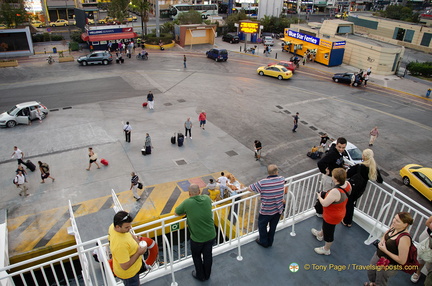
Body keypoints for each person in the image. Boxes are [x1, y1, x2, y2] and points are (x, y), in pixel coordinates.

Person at [175, 184, 216, 281]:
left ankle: (200, 276)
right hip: (211, 235)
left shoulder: (187, 203)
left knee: (197, 257)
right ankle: (207, 275)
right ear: (199, 191)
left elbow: (176, 213)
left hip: (197, 239)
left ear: (189, 193)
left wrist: (187, 211)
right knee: (208, 256)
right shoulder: (206, 198)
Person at [364, 212, 414, 286]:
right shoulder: (394, 227)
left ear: (405, 224)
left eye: (397, 221)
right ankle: (372, 284)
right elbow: (386, 234)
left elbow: (402, 261)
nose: (394, 221)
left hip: (388, 263)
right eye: (394, 218)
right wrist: (382, 241)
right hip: (378, 255)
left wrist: (385, 250)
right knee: (371, 272)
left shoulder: (404, 238)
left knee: (380, 280)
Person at [311, 168, 351, 255]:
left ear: (336, 179)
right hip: (340, 211)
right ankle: (320, 234)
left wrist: (319, 196)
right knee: (326, 226)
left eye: (332, 176)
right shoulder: (348, 184)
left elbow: (324, 204)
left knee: (329, 232)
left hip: (332, 216)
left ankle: (326, 249)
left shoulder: (335, 191)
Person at [248, 164, 287, 248]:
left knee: (262, 226)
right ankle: (270, 242)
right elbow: (285, 181)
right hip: (278, 209)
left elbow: (250, 188)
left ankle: (264, 241)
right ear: (276, 172)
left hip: (266, 210)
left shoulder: (262, 183)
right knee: (273, 227)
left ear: (268, 173)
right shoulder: (281, 179)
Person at [342, 149, 383, 227]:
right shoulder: (373, 167)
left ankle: (347, 221)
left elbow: (348, 174)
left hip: (353, 187)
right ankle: (348, 221)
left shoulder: (360, 166)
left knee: (349, 203)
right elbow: (380, 180)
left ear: (364, 156)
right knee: (351, 203)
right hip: (361, 189)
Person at [108, 211, 147, 286]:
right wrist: (139, 252)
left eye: (130, 226)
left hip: (134, 269)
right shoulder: (120, 245)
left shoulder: (112, 227)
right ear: (117, 227)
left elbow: (128, 233)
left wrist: (137, 241)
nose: (129, 228)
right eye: (127, 227)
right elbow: (125, 266)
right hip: (129, 275)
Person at [316, 137, 347, 217]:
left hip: (334, 178)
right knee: (325, 195)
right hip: (329, 179)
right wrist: (325, 171)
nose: (341, 149)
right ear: (336, 145)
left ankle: (324, 211)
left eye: (343, 147)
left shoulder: (339, 153)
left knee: (329, 196)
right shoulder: (332, 154)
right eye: (339, 147)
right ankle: (320, 212)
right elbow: (320, 163)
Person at [411, 216, 432, 283]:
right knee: (421, 255)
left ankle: (429, 279)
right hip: (428, 236)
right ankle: (417, 272)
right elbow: (428, 222)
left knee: (430, 264)